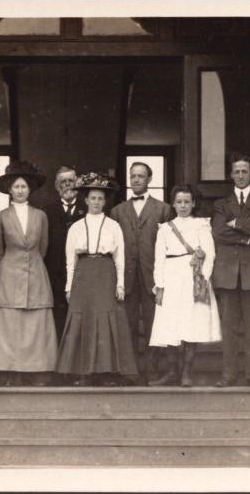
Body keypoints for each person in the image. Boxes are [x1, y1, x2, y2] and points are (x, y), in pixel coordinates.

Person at [56, 172, 138, 386]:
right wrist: (68, 286)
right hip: (83, 274)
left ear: (105, 202)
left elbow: (120, 257)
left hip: (105, 272)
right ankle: (84, 373)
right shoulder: (75, 227)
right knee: (84, 319)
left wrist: (120, 283)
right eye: (93, 198)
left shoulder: (113, 226)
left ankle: (106, 372)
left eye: (100, 199)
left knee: (106, 318)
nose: (96, 202)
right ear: (86, 200)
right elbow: (70, 260)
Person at [0, 160, 58, 385]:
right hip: (9, 274)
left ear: (30, 190)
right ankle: (12, 372)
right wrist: (11, 266)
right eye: (16, 187)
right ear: (10, 190)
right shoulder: (1, 216)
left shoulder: (40, 216)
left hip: (36, 272)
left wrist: (31, 263)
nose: (20, 190)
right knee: (11, 324)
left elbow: (44, 247)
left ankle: (37, 371)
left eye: (24, 187)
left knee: (35, 324)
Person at [148, 185, 221, 387]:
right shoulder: (165, 228)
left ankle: (187, 372)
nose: (183, 205)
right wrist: (160, 285)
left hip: (193, 277)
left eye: (187, 202)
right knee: (170, 324)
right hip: (171, 277)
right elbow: (159, 259)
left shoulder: (201, 225)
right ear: (173, 203)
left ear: (193, 203)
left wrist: (203, 278)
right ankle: (172, 371)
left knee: (191, 322)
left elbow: (210, 254)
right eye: (179, 202)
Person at [211, 153, 250, 390]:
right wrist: (249, 236)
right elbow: (218, 232)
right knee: (229, 328)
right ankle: (228, 375)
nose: (240, 175)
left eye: (244, 171)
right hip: (228, 274)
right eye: (236, 171)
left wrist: (236, 224)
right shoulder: (221, 204)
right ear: (230, 174)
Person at [110, 162, 173, 384]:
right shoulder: (117, 211)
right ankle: (129, 372)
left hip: (152, 277)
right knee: (126, 325)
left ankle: (151, 371)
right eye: (133, 176)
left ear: (149, 179)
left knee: (153, 324)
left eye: (141, 176)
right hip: (126, 278)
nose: (136, 180)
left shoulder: (163, 209)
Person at [42, 166, 87, 340]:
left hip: (82, 271)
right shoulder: (47, 211)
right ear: (56, 185)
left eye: (70, 181)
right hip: (56, 272)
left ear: (77, 183)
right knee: (58, 315)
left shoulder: (88, 208)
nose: (67, 185)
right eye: (63, 182)